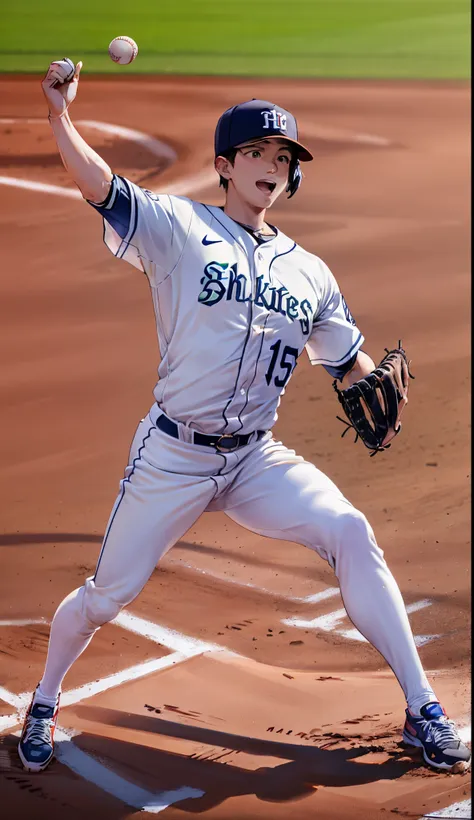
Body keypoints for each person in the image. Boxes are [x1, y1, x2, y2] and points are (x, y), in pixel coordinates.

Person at [18, 59, 470, 776]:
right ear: (226, 166)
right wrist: (59, 117)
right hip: (173, 455)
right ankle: (43, 701)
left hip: (256, 459)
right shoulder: (177, 230)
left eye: (284, 157)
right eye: (258, 153)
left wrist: (377, 389)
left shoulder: (310, 272)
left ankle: (424, 711)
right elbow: (102, 189)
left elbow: (346, 360)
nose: (272, 165)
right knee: (107, 596)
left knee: (351, 531)